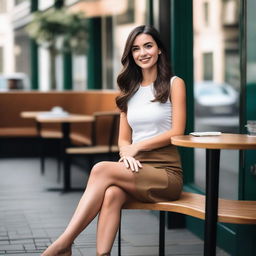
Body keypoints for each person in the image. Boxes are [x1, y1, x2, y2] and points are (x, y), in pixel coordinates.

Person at [42, 25, 186, 256]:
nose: (143, 53)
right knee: (111, 194)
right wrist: (125, 153)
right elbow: (123, 139)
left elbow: (177, 130)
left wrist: (135, 148)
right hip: (136, 168)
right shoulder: (128, 91)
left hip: (166, 173)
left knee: (100, 169)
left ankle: (64, 243)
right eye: (136, 49)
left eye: (148, 46)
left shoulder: (174, 84)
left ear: (159, 49)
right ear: (130, 55)